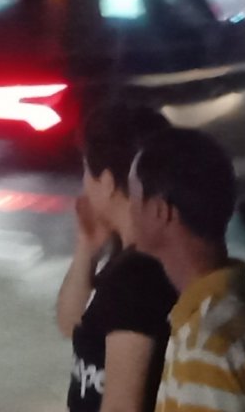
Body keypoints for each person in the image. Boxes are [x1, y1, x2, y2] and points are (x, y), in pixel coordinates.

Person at [121, 126, 245, 412]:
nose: (129, 209)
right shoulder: (243, 305)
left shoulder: (208, 343)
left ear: (161, 210)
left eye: (134, 196)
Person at [57, 99, 177, 412]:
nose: (83, 184)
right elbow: (70, 323)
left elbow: (124, 405)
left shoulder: (138, 280)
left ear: (108, 183)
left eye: (87, 171)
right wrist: (87, 247)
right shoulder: (129, 261)